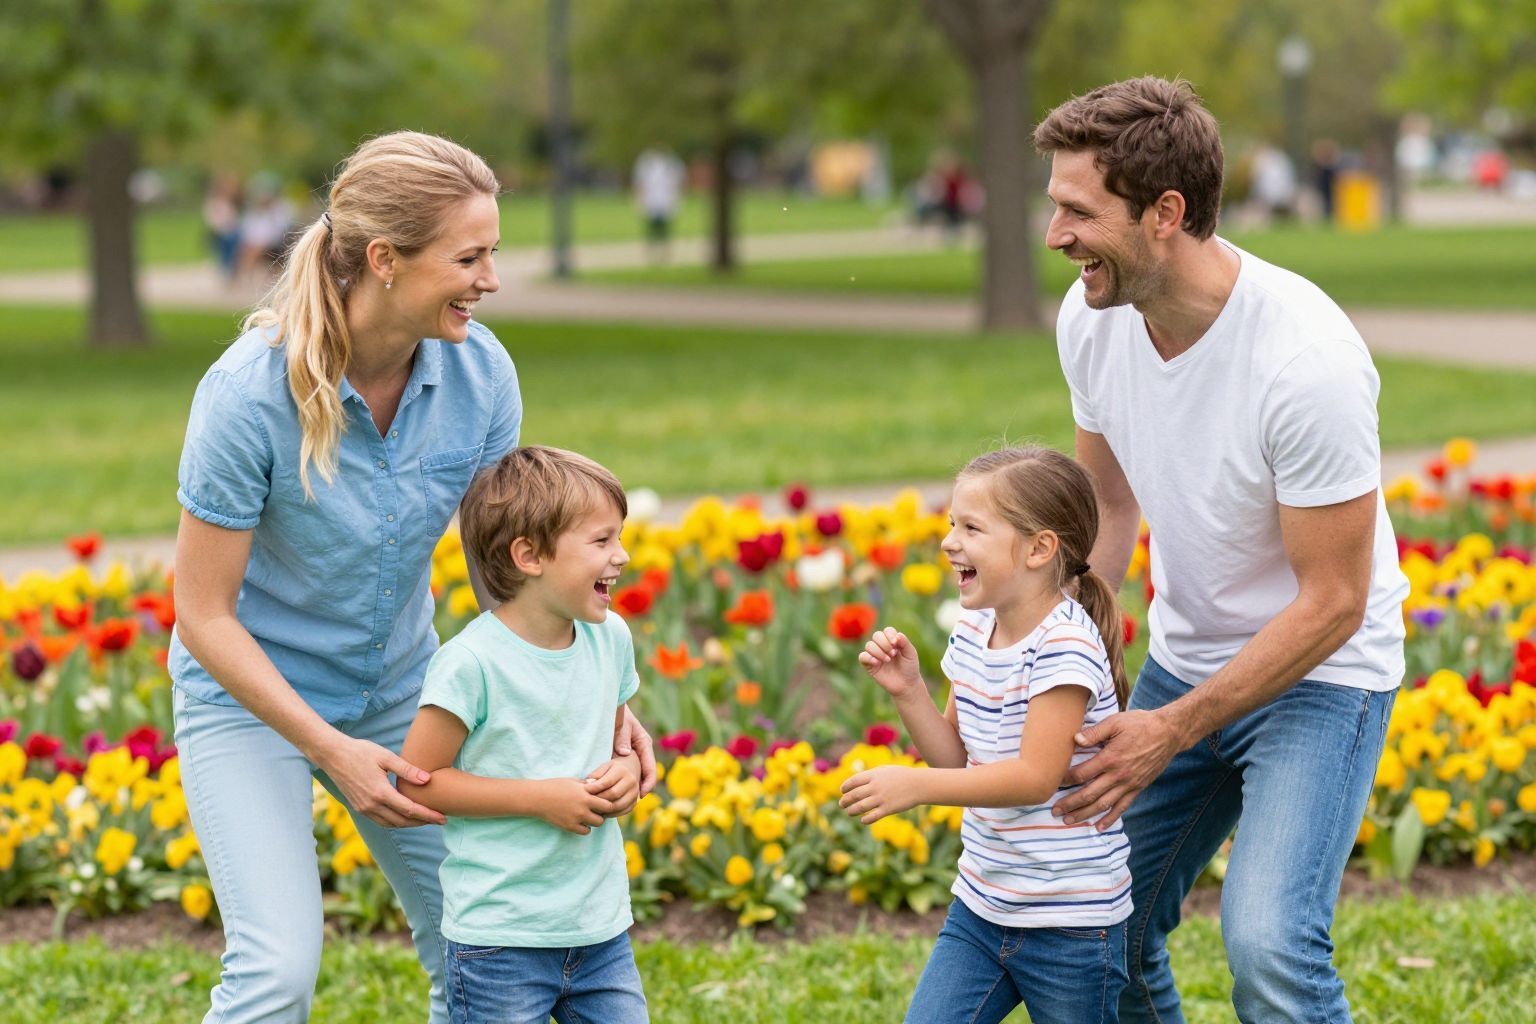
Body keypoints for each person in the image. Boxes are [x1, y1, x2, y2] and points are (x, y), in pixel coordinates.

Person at [170, 131, 656, 1023]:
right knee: (277, 973)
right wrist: (328, 747)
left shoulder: (481, 372)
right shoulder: (248, 395)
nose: (492, 280)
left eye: (493, 254)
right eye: (468, 258)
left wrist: (607, 705)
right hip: (251, 704)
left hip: (406, 691)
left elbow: (525, 568)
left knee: (479, 946)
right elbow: (202, 614)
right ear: (385, 261)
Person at [1033, 77, 1408, 1022]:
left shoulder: (1304, 362)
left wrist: (1171, 729)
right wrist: (1055, 652)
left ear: (1165, 214)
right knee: (1096, 923)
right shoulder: (1094, 319)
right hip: (1188, 657)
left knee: (1271, 943)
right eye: (1054, 206)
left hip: (1321, 676)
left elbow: (1333, 603)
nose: (1055, 236)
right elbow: (1107, 509)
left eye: (1079, 211)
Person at [841, 446, 1132, 1024]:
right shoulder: (976, 626)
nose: (950, 541)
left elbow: (1033, 778)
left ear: (1038, 548)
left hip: (1070, 924)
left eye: (971, 528)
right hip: (982, 904)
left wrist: (917, 788)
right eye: (953, 524)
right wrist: (908, 691)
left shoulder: (1063, 645)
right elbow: (956, 754)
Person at [399, 445, 649, 1024]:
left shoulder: (608, 639)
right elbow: (419, 783)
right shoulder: (473, 664)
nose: (623, 555)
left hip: (599, 930)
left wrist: (627, 774)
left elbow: (618, 741)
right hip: (499, 942)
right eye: (602, 541)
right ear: (529, 556)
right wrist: (541, 800)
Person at [632, 145, 686, 263]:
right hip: (652, 199)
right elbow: (640, 181)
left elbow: (677, 180)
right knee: (652, 226)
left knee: (664, 226)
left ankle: (664, 251)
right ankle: (652, 250)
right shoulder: (646, 161)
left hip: (665, 199)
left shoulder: (671, 162)